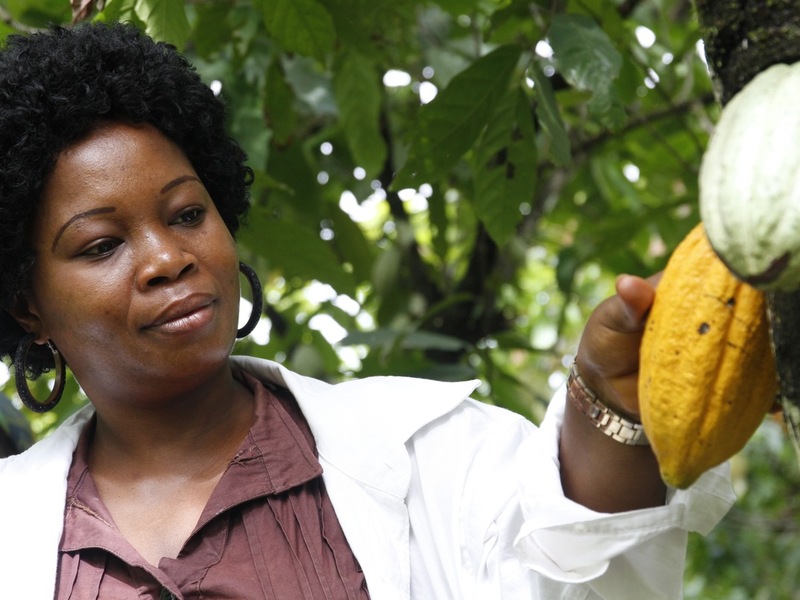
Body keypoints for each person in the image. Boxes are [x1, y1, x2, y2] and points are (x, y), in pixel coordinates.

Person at [0, 22, 733, 600]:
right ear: (27, 305)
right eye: (100, 246)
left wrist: (612, 407)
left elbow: (579, 566)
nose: (168, 258)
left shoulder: (429, 450)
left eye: (188, 213)